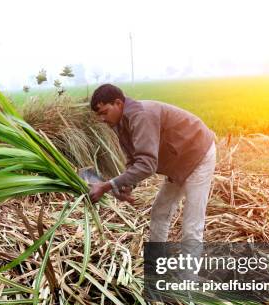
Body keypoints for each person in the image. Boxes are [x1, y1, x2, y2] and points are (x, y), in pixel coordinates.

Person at [89, 84, 216, 244]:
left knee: (192, 225)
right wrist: (126, 185)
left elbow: (147, 165)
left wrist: (107, 186)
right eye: (99, 115)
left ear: (118, 103)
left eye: (104, 112)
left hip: (198, 154)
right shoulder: (120, 123)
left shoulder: (141, 115)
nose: (102, 119)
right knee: (159, 212)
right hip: (177, 161)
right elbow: (133, 159)